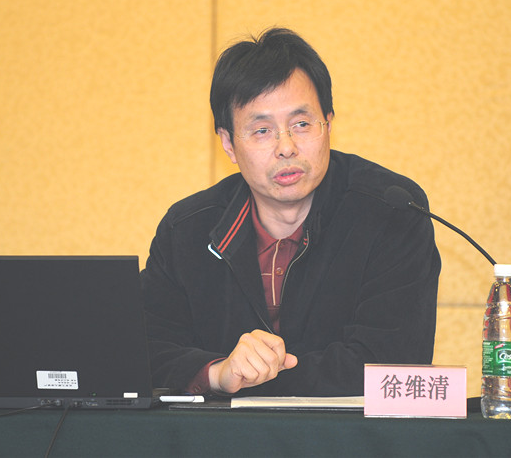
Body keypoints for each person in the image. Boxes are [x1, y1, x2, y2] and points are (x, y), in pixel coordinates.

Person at [141, 27, 440, 397]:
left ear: (328, 124)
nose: (286, 147)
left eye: (301, 124)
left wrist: (252, 383)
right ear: (228, 144)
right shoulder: (187, 230)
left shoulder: (390, 211)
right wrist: (219, 373)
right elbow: (145, 352)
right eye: (262, 130)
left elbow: (395, 364)